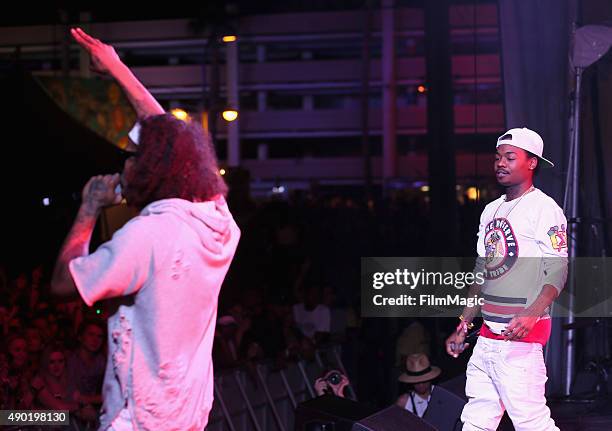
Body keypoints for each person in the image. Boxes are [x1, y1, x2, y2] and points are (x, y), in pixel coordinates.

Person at [51, 28, 240, 431]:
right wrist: (116, 67)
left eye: (132, 156)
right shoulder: (217, 221)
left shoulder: (148, 236)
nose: (125, 162)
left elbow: (64, 284)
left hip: (137, 419)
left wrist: (88, 209)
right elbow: (168, 135)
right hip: (188, 412)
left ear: (152, 169)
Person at [445, 128, 568, 430]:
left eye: (510, 158)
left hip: (521, 337)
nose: (500, 163)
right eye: (498, 157)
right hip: (487, 338)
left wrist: (532, 313)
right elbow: (482, 270)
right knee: (476, 420)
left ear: (532, 163)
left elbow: (558, 269)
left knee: (532, 423)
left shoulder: (544, 208)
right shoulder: (491, 210)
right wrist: (463, 323)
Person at [395, 353, 440, 418]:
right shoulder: (403, 402)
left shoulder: (440, 395)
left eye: (424, 380)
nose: (421, 385)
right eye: (416, 382)